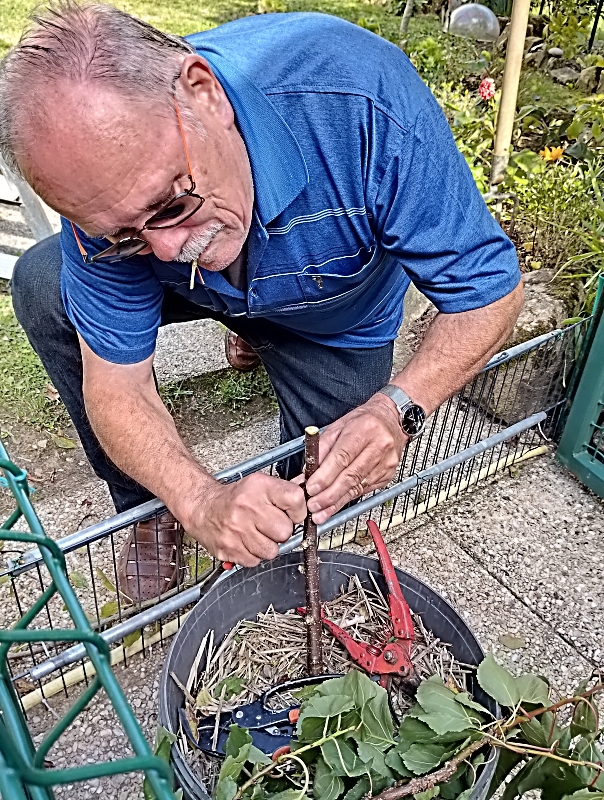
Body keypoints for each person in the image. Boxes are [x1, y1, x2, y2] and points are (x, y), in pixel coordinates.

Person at [1, 2, 523, 602]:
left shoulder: (361, 100)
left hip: (337, 317)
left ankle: (268, 336)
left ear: (204, 95)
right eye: (124, 237)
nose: (167, 251)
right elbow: (118, 389)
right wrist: (197, 498)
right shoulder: (108, 190)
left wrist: (397, 408)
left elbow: (490, 292)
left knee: (323, 490)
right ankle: (148, 508)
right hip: (217, 286)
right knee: (44, 282)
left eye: (171, 205)